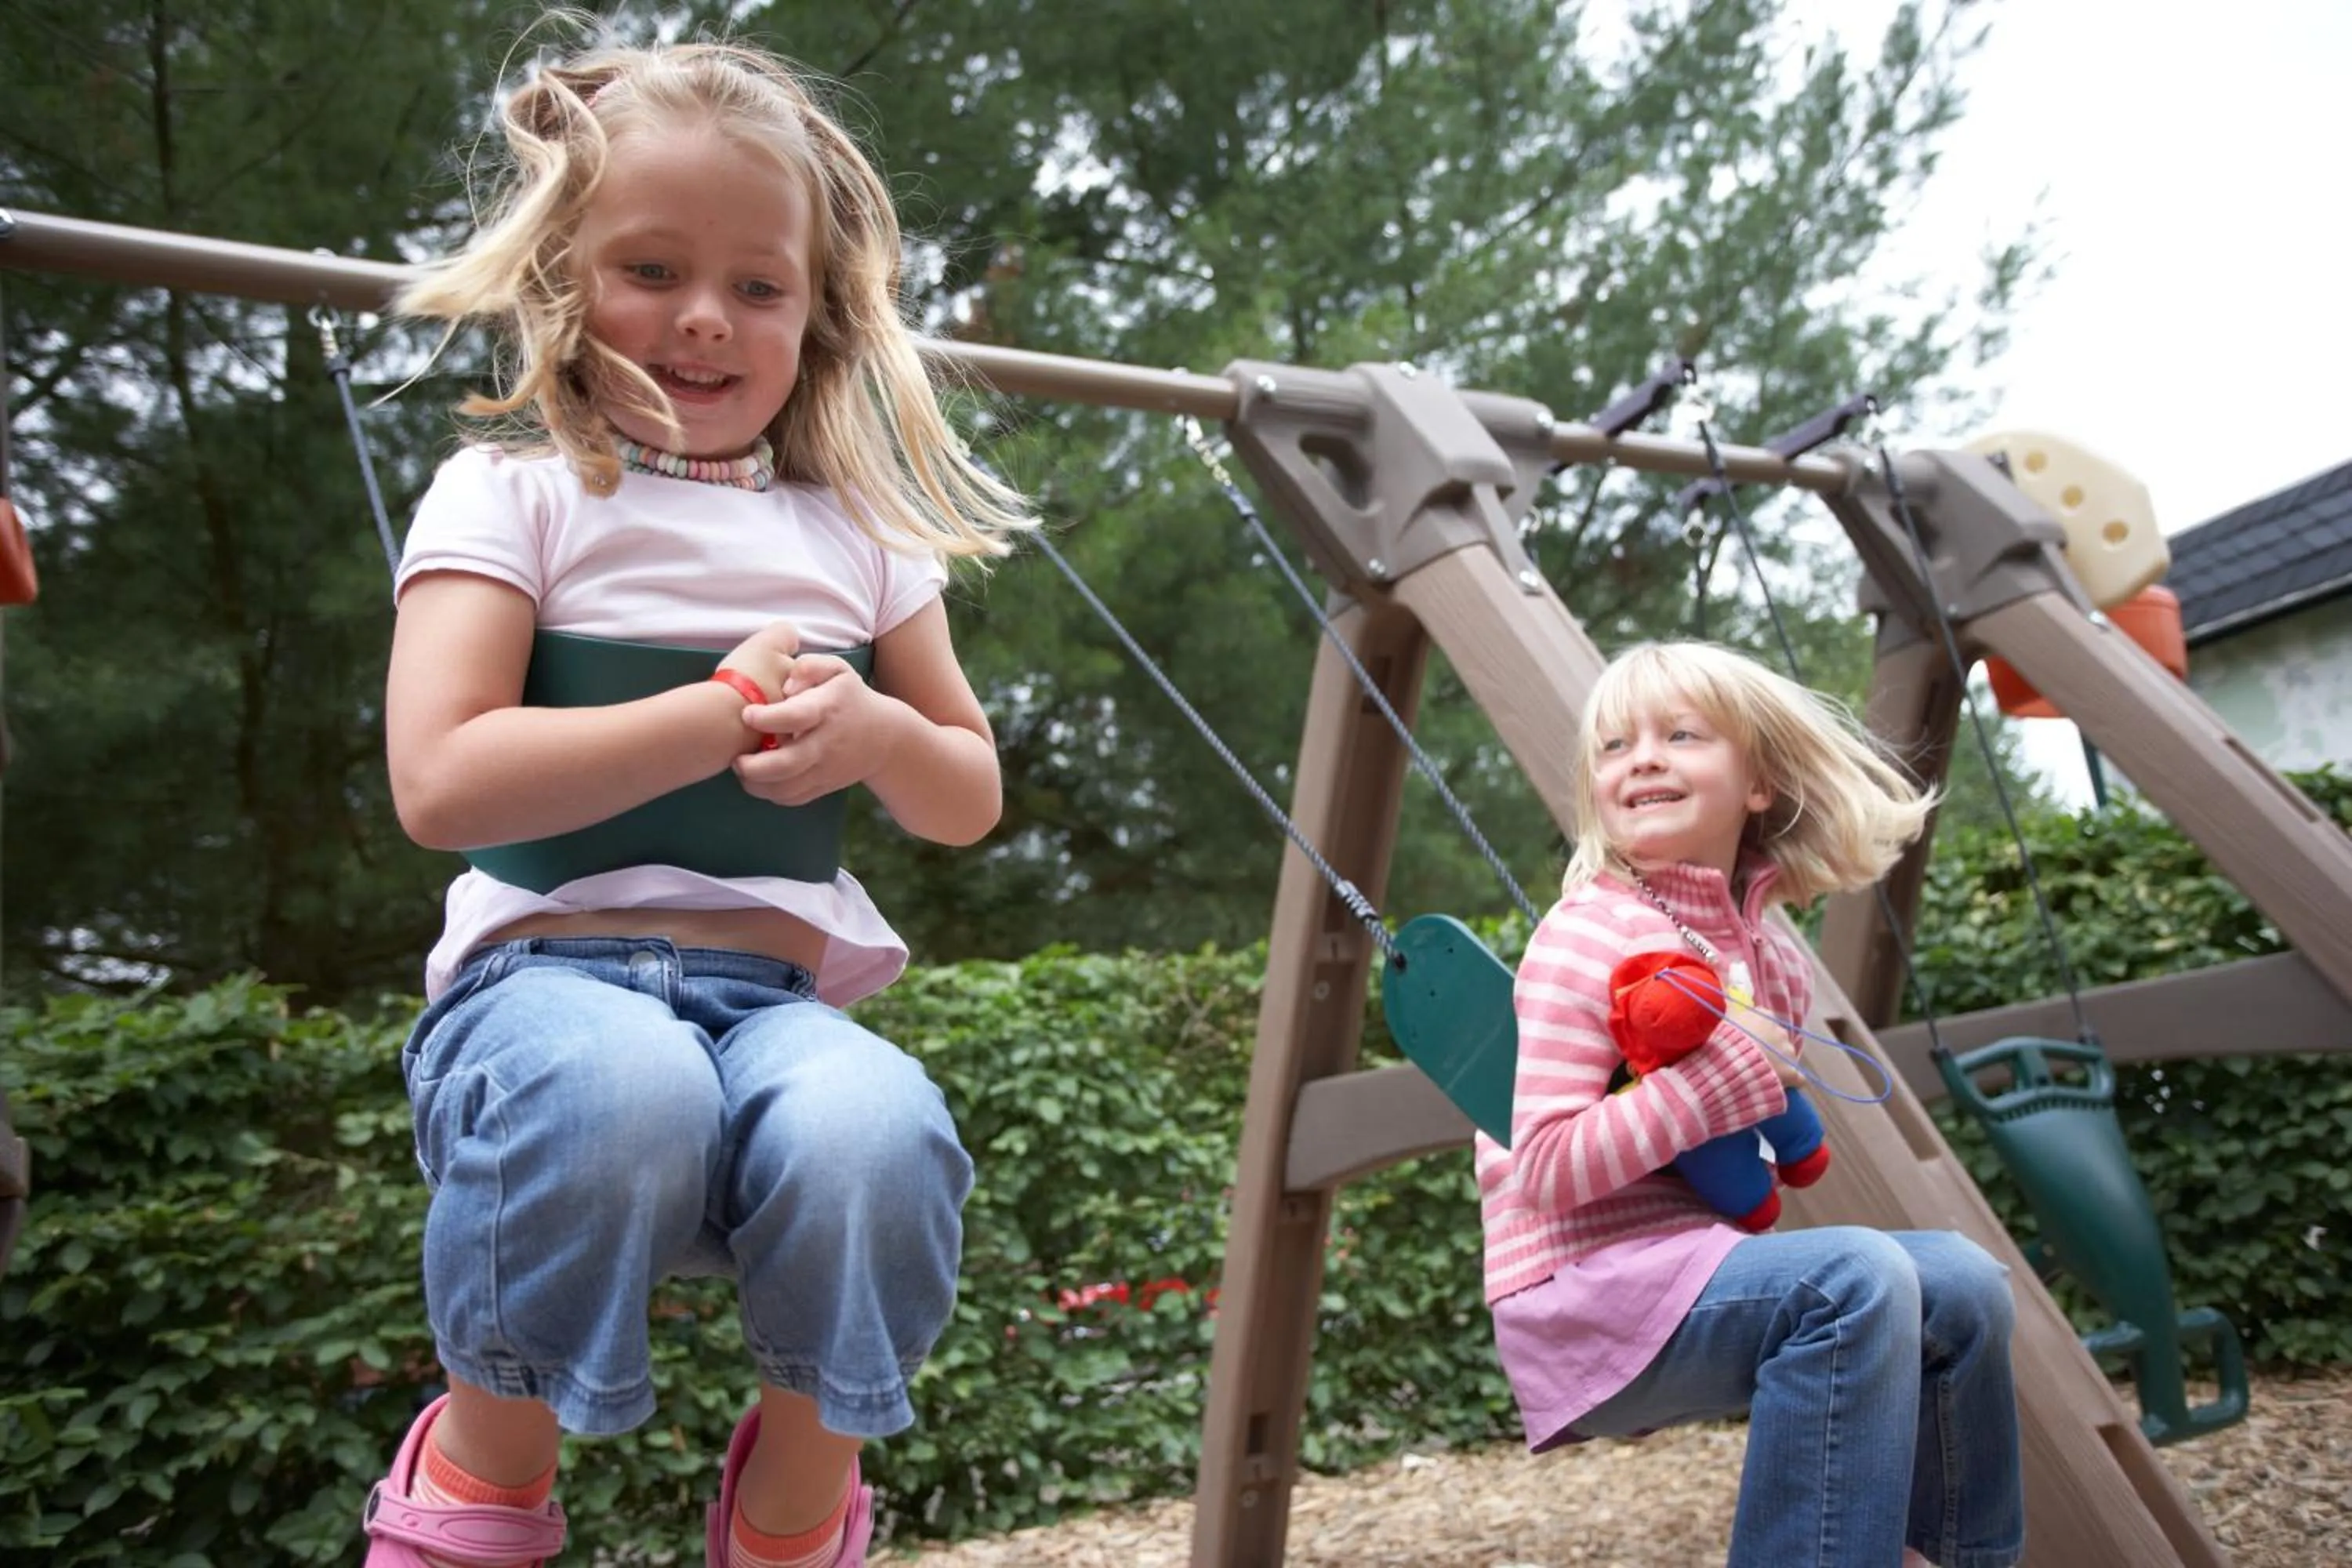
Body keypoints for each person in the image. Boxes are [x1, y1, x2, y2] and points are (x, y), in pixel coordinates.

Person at [364, 32, 1029, 1568]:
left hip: (774, 1004)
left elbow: (966, 792)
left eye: (759, 285)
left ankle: (792, 1518)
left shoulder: (859, 533)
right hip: (541, 991)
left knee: (883, 1134)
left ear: (819, 310)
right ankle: (484, 1490)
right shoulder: (516, 491)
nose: (707, 319)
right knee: (620, 1098)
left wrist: (871, 727)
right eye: (650, 269)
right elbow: (440, 780)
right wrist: (714, 712)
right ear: (561, 279)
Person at [1478, 641, 2024, 1568]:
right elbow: (1545, 1168)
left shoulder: (1770, 955)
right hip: (1582, 1287)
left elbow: (1746, 1158)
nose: (1641, 757)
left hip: (1694, 1266)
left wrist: (1752, 1116)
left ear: (1760, 782)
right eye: (1613, 746)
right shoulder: (1585, 933)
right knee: (1852, 1277)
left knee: (1963, 1280)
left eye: (1681, 734)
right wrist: (1713, 1085)